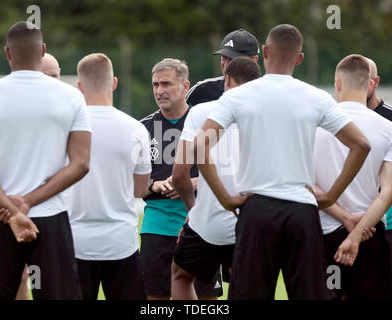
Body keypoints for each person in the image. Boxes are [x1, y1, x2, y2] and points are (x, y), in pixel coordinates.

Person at [194, 24, 371, 300]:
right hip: (302, 211)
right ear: (300, 58)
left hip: (257, 210)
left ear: (264, 52)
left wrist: (225, 198)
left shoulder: (237, 96)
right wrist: (331, 195)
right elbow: (361, 144)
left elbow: (200, 144)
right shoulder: (317, 97)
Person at [0, 21, 91, 300]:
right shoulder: (71, 96)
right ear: (43, 50)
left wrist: (12, 209)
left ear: (7, 53)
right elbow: (81, 163)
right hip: (51, 218)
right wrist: (27, 203)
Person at [171, 57, 261, 300]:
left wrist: (192, 210)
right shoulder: (266, 115)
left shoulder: (201, 112)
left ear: (227, 79)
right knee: (248, 285)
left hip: (208, 222)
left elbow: (179, 175)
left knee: (180, 275)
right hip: (253, 221)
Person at [314, 54, 392, 299]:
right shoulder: (389, 129)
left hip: (322, 234)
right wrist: (356, 234)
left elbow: (304, 183)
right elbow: (389, 191)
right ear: (370, 85)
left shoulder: (314, 124)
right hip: (370, 233)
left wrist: (344, 219)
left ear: (337, 83)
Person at [67, 53, 151, 300]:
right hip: (121, 242)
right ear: (114, 82)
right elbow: (140, 189)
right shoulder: (136, 129)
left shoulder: (68, 128)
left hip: (76, 243)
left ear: (79, 87)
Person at [140, 58, 222, 300]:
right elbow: (130, 186)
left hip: (201, 226)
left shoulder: (206, 125)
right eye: (155, 85)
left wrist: (192, 182)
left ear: (185, 86)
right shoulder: (142, 128)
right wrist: (153, 185)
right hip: (156, 228)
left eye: (166, 84)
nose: (159, 91)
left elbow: (230, 172)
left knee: (207, 301)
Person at [14, 51, 63, 301]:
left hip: (62, 211)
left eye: (55, 75)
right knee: (21, 275)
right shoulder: (13, 113)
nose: (51, 81)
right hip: (19, 208)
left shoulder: (71, 109)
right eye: (45, 75)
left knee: (57, 280)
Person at [366, 57, 392, 299]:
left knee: (389, 287)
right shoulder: (341, 115)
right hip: (347, 220)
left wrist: (384, 199)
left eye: (366, 81)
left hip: (386, 221)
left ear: (375, 82)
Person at [186, 29, 259, 107]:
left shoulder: (267, 92)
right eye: (224, 57)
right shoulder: (201, 90)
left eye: (233, 58)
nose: (226, 64)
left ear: (254, 60)